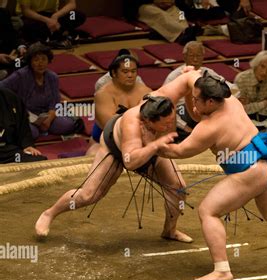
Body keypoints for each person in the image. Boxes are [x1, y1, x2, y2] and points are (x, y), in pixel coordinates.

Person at [152, 69, 267, 280]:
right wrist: (189, 73)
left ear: (211, 101)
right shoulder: (230, 99)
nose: (192, 104)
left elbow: (179, 152)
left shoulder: (209, 127)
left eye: (196, 99)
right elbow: (196, 84)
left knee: (208, 211)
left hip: (250, 171)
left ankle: (222, 270)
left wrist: (153, 146)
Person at [35, 94, 193, 244]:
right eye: (165, 123)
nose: (169, 125)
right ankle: (50, 213)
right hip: (116, 150)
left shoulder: (162, 104)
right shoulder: (132, 123)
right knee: (89, 195)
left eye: (171, 120)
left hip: (151, 148)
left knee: (178, 187)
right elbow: (130, 162)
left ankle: (169, 230)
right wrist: (154, 145)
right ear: (149, 121)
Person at [0, 43, 81, 140]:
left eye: (43, 59)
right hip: (25, 116)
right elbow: (2, 87)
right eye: (36, 60)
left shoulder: (52, 77)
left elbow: (55, 103)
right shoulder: (20, 75)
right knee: (32, 133)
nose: (40, 63)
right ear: (30, 62)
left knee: (67, 125)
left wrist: (49, 120)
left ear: (48, 61)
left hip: (45, 115)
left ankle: (43, 128)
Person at [163, 41, 237, 140]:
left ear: (203, 57)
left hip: (205, 111)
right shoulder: (174, 76)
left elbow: (229, 86)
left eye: (198, 55)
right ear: (184, 57)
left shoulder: (208, 72)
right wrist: (184, 126)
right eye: (191, 56)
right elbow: (166, 106)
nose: (195, 59)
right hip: (183, 115)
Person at [88, 51, 151, 155]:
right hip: (107, 140)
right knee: (93, 159)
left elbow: (153, 121)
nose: (130, 75)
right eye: (125, 72)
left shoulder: (145, 91)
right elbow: (109, 127)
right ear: (114, 73)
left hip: (140, 138)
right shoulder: (103, 94)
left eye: (133, 71)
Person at [0, 87, 46, 163]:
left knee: (37, 161)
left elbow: (23, 126)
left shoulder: (10, 97)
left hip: (9, 152)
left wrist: (27, 145)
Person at [234, 50, 267, 123]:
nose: (264, 72)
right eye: (262, 66)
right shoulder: (241, 79)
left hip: (264, 116)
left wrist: (259, 117)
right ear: (256, 65)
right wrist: (263, 103)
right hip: (243, 117)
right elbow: (241, 108)